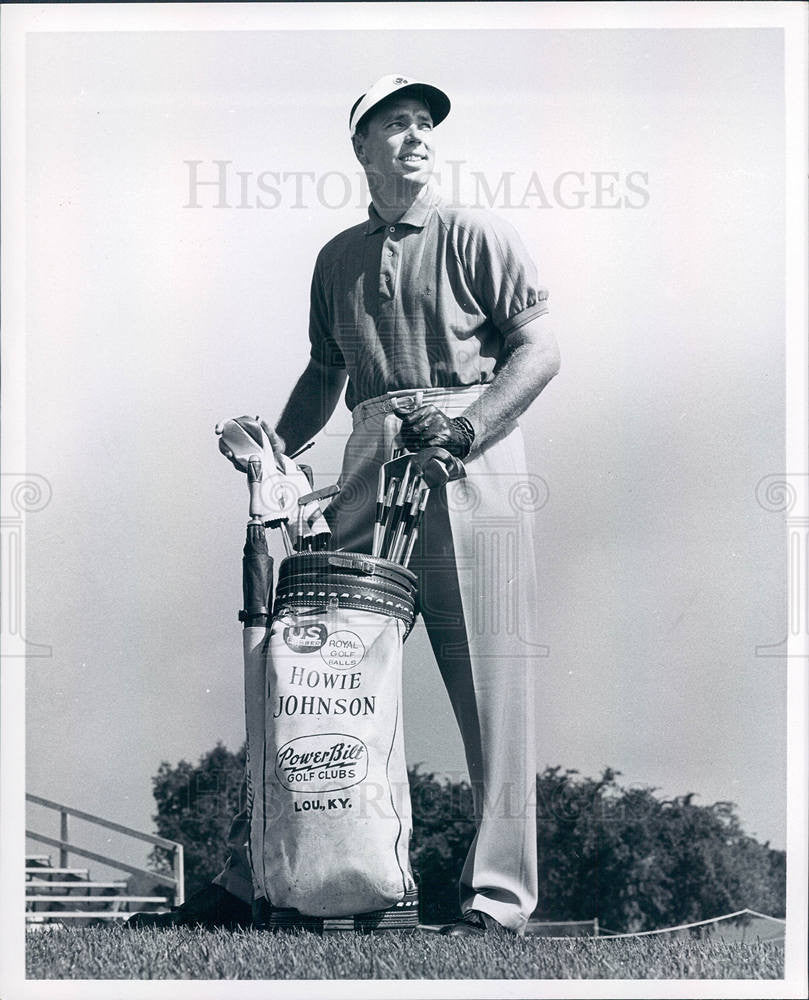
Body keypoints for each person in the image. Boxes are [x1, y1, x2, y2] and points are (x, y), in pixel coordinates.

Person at [130, 73, 560, 936]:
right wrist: (273, 454)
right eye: (392, 124)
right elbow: (326, 373)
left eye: (423, 124)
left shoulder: (479, 234)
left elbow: (540, 352)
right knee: (313, 662)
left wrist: (466, 430)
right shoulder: (336, 257)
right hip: (371, 448)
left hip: (469, 454)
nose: (414, 136)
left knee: (489, 686)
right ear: (360, 147)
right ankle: (262, 876)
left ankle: (496, 899)